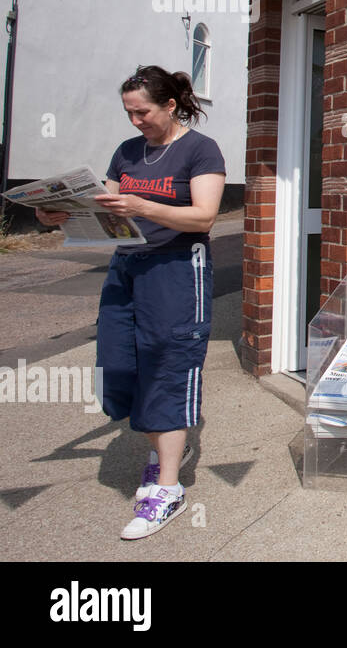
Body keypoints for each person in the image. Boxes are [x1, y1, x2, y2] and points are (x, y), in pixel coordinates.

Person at [37, 66, 225, 539]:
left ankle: (168, 487)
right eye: (129, 113)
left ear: (170, 105)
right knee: (118, 365)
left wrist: (144, 206)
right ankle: (163, 448)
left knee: (168, 364)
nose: (135, 120)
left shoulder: (200, 149)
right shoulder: (126, 152)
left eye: (142, 111)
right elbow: (109, 208)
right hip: (127, 267)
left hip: (178, 269)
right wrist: (56, 214)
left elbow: (204, 215)